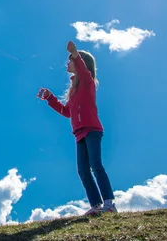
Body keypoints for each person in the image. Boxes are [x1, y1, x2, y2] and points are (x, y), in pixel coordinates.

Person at [38, 40, 117, 216]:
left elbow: (82, 70)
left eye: (71, 60)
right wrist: (50, 97)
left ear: (81, 63)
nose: (68, 63)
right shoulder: (73, 90)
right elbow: (66, 112)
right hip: (79, 134)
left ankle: (109, 204)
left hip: (92, 130)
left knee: (96, 165)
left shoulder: (88, 81)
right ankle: (96, 205)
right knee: (82, 170)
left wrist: (75, 53)